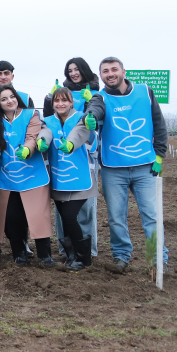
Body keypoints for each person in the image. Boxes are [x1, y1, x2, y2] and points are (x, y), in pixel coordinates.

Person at [84, 56, 169, 273]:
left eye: (114, 69)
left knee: (151, 215)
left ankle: (156, 258)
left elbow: (158, 124)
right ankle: (121, 256)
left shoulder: (145, 91)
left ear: (123, 71)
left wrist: (159, 155)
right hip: (113, 169)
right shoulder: (100, 97)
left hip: (146, 166)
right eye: (105, 71)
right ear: (101, 75)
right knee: (116, 217)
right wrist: (90, 116)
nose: (110, 74)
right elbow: (95, 108)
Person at [0, 85, 57, 268]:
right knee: (11, 217)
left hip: (32, 175)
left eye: (12, 97)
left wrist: (27, 148)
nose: (9, 101)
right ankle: (19, 254)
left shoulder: (31, 114)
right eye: (4, 99)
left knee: (37, 215)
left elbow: (33, 136)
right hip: (7, 176)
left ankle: (45, 255)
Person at [43, 57, 100, 260]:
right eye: (56, 100)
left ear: (72, 102)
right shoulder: (48, 120)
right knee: (65, 219)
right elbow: (45, 133)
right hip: (58, 176)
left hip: (82, 172)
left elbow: (86, 136)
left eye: (64, 100)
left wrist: (74, 142)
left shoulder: (87, 109)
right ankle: (70, 254)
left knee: (74, 216)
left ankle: (86, 255)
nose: (60, 103)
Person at [0, 60, 34, 259]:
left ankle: (23, 242)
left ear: (12, 75)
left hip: (20, 160)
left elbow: (33, 126)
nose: (3, 76)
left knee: (21, 203)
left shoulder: (25, 98)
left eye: (6, 73)